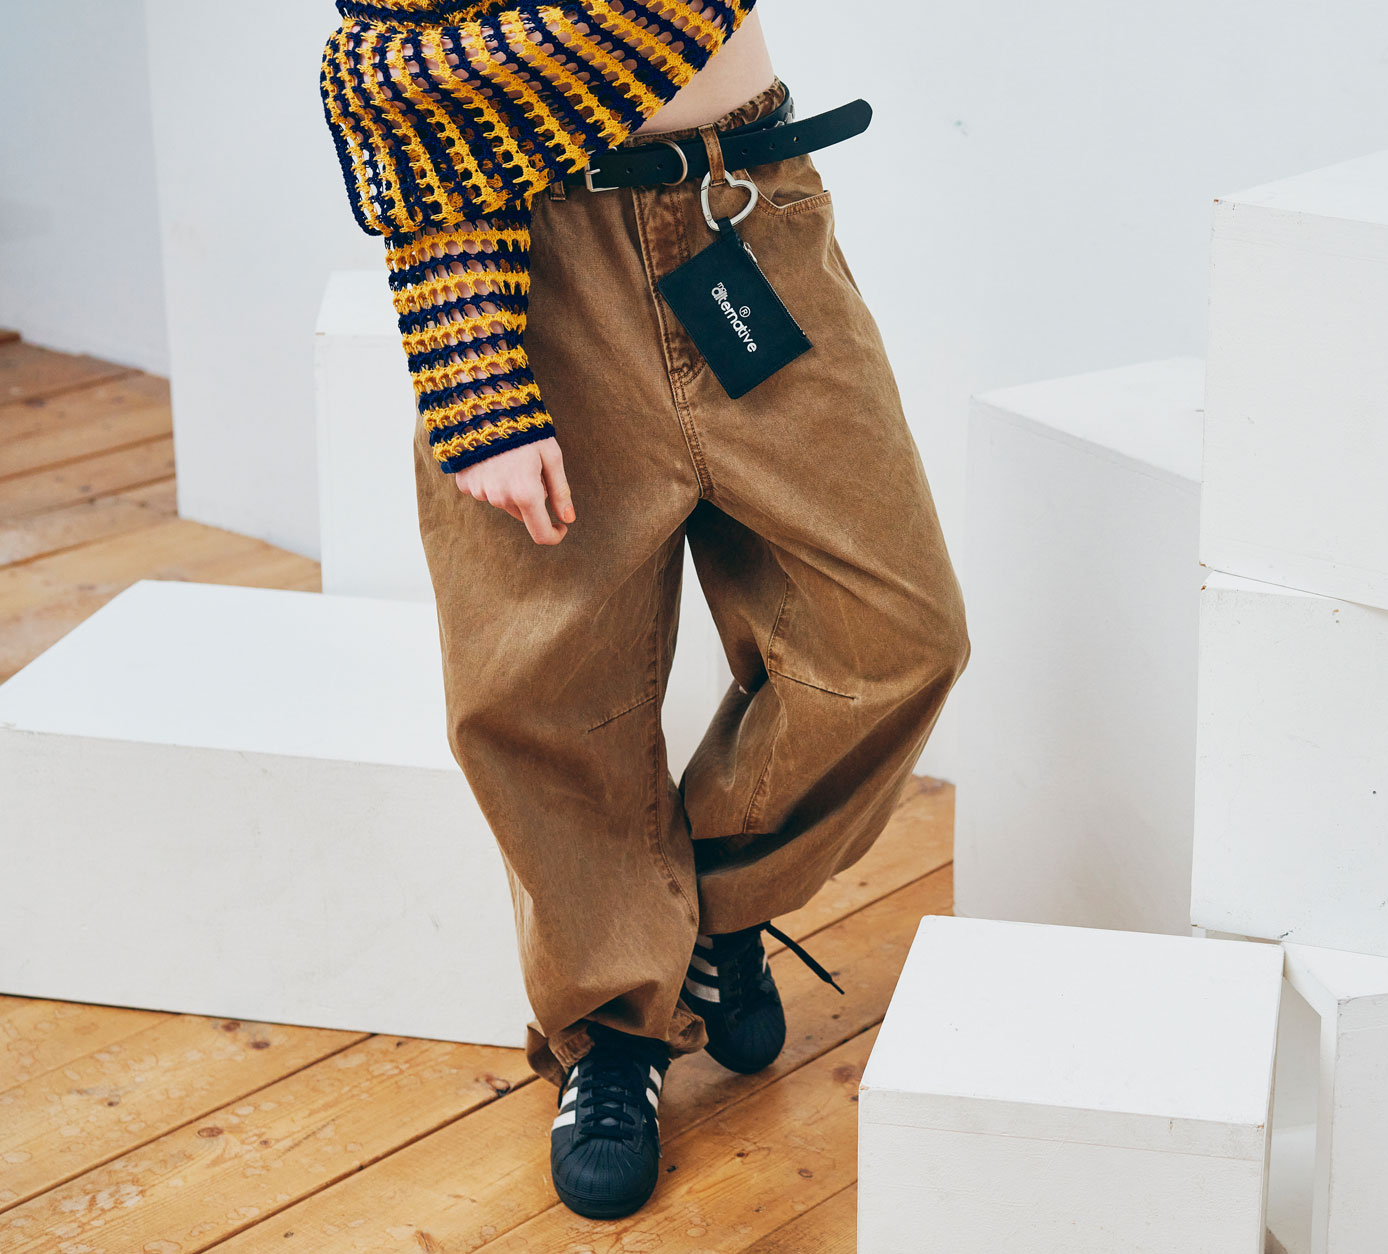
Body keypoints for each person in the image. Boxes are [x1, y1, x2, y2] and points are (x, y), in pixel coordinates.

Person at [317, 0, 970, 1221]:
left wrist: (462, 63)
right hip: (527, 259)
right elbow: (395, 77)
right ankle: (612, 1024)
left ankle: (700, 914)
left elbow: (426, 78)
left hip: (742, 209)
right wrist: (474, 375)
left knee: (896, 634)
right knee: (542, 685)